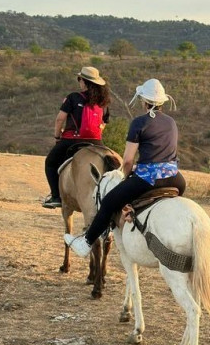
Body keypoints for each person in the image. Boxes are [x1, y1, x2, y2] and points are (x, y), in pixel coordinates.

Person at [64, 78, 185, 257]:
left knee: (108, 203)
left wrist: (125, 177)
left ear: (144, 101)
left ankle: (86, 242)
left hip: (148, 179)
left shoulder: (139, 123)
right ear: (161, 102)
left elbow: (127, 160)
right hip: (176, 179)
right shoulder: (171, 122)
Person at [42, 66, 110, 208]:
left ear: (83, 81)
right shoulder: (103, 102)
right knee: (111, 166)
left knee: (51, 162)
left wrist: (57, 136)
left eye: (80, 79)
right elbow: (103, 124)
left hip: (72, 139)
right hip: (96, 142)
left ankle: (56, 197)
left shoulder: (73, 97)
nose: (79, 81)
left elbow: (60, 119)